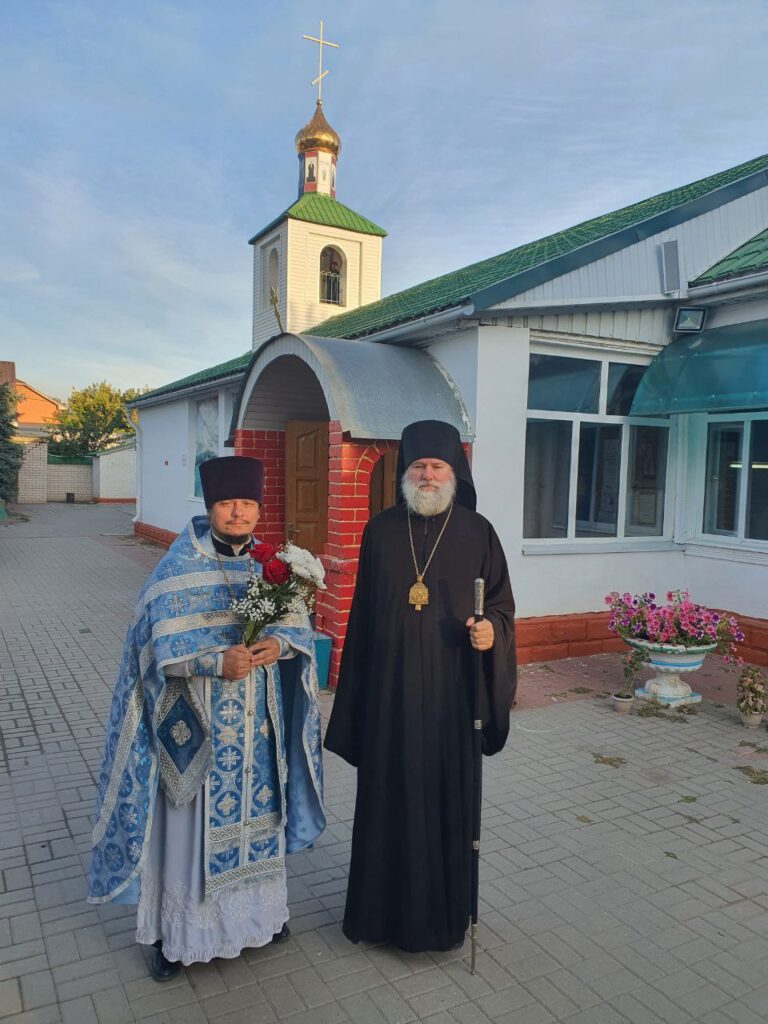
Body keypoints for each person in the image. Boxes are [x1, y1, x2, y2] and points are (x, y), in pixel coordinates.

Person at [87, 456, 325, 979]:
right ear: (210, 507)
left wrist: (279, 645)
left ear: (259, 508)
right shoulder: (178, 568)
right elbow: (152, 651)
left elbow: (298, 631)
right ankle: (175, 938)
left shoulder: (273, 566)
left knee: (258, 821)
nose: (238, 512)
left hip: (257, 731)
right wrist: (215, 663)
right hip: (195, 729)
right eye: (227, 503)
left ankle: (259, 920)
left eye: (247, 503)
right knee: (187, 831)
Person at [324, 419, 516, 953]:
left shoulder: (479, 533)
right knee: (387, 803)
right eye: (418, 466)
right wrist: (357, 701)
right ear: (404, 473)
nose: (427, 475)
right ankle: (377, 918)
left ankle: (441, 922)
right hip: (390, 696)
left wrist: (490, 633)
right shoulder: (380, 531)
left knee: (444, 804)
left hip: (453, 700)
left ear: (454, 473)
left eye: (437, 466)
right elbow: (362, 619)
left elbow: (501, 606)